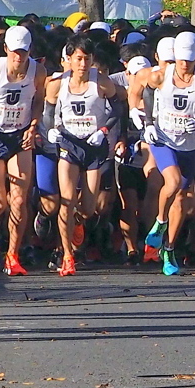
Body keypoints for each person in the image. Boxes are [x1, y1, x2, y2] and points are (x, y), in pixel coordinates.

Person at [136, 31, 195, 275]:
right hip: (163, 138)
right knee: (171, 182)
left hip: (189, 143)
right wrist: (149, 123)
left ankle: (169, 248)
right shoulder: (161, 75)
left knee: (181, 198)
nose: (184, 64)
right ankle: (160, 223)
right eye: (181, 59)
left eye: (190, 59)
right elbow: (148, 92)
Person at [0, 26, 47, 276]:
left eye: (23, 52)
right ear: (6, 49)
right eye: (14, 52)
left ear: (29, 51)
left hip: (19, 135)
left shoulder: (38, 71)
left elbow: (39, 101)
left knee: (19, 199)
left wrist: (33, 126)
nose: (18, 57)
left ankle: (12, 254)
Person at [45, 33, 121, 277]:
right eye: (78, 59)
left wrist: (104, 129)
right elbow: (47, 110)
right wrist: (51, 131)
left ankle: (77, 222)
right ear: (68, 59)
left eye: (87, 59)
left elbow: (119, 106)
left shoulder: (101, 82)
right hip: (68, 143)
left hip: (93, 145)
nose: (83, 64)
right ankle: (67, 255)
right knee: (66, 201)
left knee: (88, 208)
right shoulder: (57, 83)